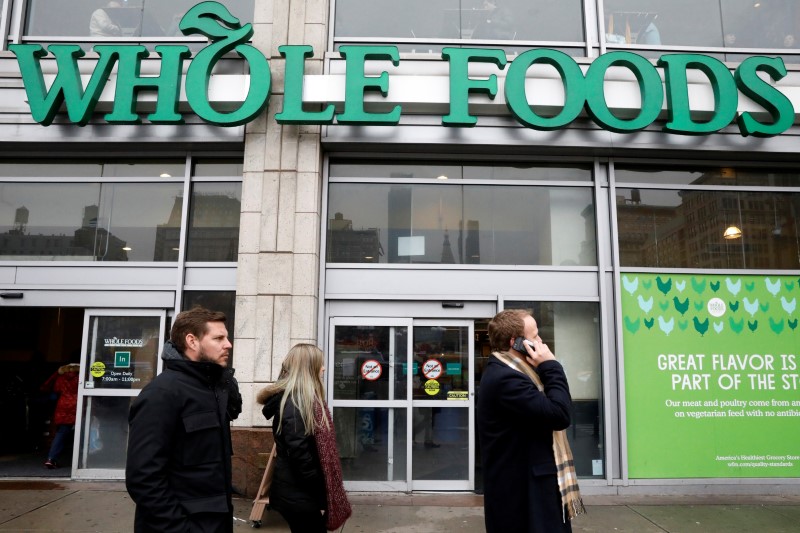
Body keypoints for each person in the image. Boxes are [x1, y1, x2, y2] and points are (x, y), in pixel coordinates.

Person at [126, 306, 241, 533]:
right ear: (192, 341)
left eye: (226, 337)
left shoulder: (213, 388)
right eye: (219, 338)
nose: (228, 344)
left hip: (216, 521)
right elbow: (144, 478)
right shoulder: (162, 393)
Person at [477, 309, 585, 533]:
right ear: (515, 342)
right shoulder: (506, 379)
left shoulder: (515, 372)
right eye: (534, 336)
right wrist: (552, 366)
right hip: (523, 495)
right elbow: (560, 414)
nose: (541, 341)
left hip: (528, 487)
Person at [257, 344, 351, 533]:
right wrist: (319, 487)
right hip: (298, 494)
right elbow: (299, 453)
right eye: (320, 364)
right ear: (308, 368)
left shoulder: (304, 399)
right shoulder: (296, 402)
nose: (323, 368)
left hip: (299, 492)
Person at [40, 363, 80, 469]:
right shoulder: (81, 376)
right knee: (83, 433)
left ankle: (51, 459)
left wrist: (56, 373)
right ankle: (84, 460)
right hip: (78, 404)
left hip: (63, 405)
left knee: (61, 433)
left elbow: (53, 388)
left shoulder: (61, 377)